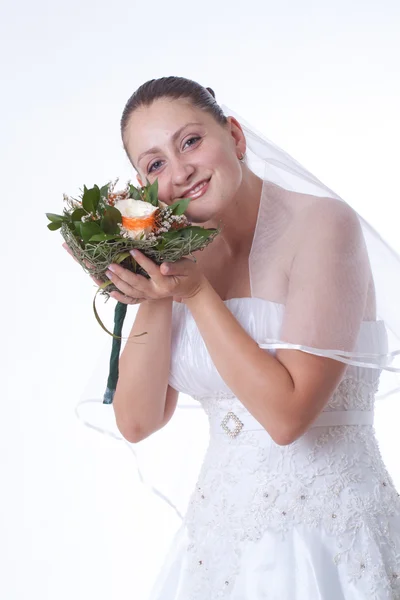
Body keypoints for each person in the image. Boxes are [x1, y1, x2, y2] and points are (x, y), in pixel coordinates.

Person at [72, 76, 400, 599]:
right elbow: (136, 420)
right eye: (154, 164)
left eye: (190, 142)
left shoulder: (322, 226)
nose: (180, 172)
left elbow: (288, 417)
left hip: (334, 542)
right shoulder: (182, 259)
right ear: (143, 188)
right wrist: (155, 285)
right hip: (221, 548)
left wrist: (198, 295)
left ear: (235, 137)